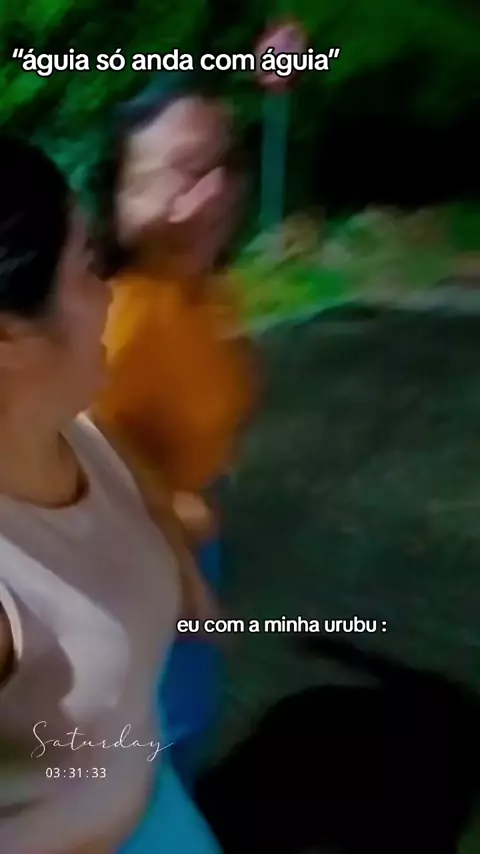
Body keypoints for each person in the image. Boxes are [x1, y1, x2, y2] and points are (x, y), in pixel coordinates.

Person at [0, 133, 220, 854]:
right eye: (88, 265)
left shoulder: (87, 431)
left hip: (160, 805)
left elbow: (150, 503)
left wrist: (182, 556)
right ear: (6, 337)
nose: (110, 293)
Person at [92, 76, 258, 786]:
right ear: (123, 195)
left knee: (184, 720)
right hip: (141, 570)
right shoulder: (115, 323)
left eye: (223, 166)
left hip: (190, 541)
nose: (215, 193)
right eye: (185, 171)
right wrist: (183, 550)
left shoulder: (206, 289)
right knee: (155, 735)